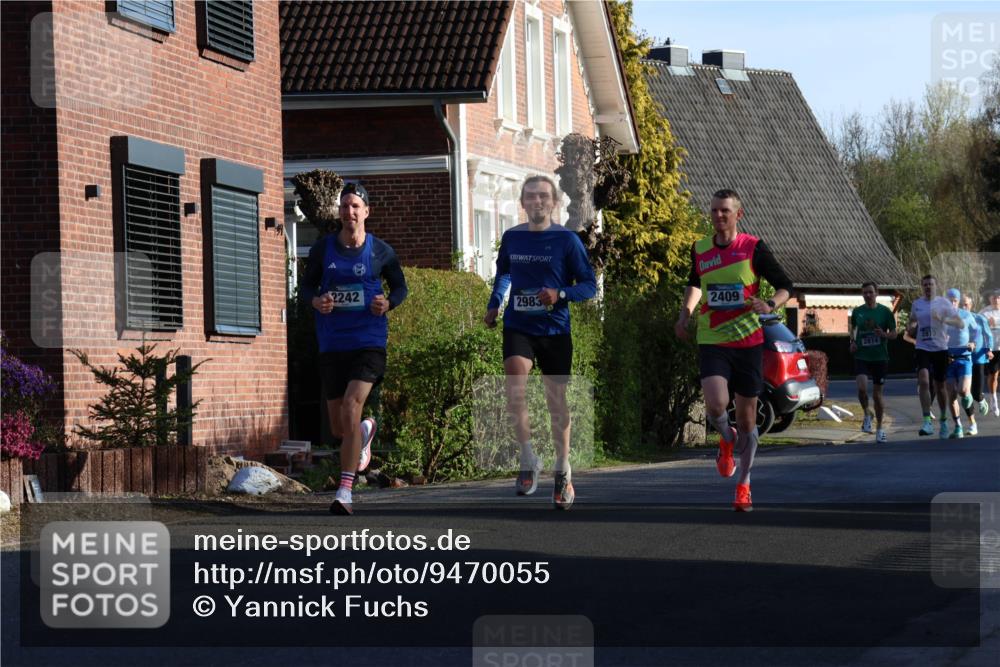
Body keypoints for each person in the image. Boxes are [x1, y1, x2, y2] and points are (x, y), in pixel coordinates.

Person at [674, 189, 792, 512]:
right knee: (715, 405)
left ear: (738, 214)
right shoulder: (700, 249)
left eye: (725, 211)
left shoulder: (753, 248)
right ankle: (726, 438)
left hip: (748, 342)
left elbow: (785, 285)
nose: (718, 216)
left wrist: (769, 303)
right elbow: (695, 283)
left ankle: (744, 484)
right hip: (712, 338)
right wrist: (685, 313)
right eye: (714, 211)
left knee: (748, 418)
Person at [484, 175, 597, 510]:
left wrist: (560, 294)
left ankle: (563, 469)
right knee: (514, 388)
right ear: (522, 202)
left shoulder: (567, 240)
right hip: (518, 325)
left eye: (543, 197)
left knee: (556, 403)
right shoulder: (512, 237)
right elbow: (504, 272)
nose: (537, 202)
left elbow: (588, 284)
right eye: (530, 197)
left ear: (553, 203)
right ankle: (528, 457)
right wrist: (495, 303)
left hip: (554, 329)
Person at [302, 182, 408, 515]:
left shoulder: (380, 251)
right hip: (333, 343)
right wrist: (317, 301)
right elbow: (306, 287)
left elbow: (401, 288)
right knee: (340, 427)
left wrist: (387, 303)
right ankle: (365, 431)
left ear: (366, 212)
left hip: (368, 342)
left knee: (351, 406)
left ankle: (344, 490)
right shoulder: (323, 250)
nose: (349, 211)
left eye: (355, 206)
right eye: (345, 206)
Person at [849, 282, 897, 443]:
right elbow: (853, 329)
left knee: (877, 396)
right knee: (862, 388)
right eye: (865, 293)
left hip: (880, 357)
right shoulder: (857, 311)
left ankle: (880, 428)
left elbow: (894, 334)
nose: (867, 295)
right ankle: (866, 414)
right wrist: (852, 342)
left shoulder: (885, 312)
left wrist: (883, 334)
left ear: (876, 293)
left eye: (870, 292)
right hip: (862, 355)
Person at [906, 275, 952, 437]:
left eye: (930, 284)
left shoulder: (944, 303)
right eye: (925, 284)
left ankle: (944, 421)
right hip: (922, 347)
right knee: (924, 381)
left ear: (936, 286)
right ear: (922, 287)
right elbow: (912, 321)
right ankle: (927, 421)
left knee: (940, 386)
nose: (927, 287)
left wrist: (943, 319)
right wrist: (911, 327)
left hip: (940, 348)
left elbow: (958, 322)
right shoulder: (917, 304)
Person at [942, 288, 977, 439]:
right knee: (952, 394)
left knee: (963, 391)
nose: (953, 303)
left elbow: (976, 331)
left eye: (955, 301)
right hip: (948, 359)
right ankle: (958, 426)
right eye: (950, 301)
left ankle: (972, 422)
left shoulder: (966, 315)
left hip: (964, 357)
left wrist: (973, 343)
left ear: (958, 302)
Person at [962, 294, 994, 433]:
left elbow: (988, 336)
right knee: (965, 393)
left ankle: (981, 399)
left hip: (979, 358)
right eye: (961, 304)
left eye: (966, 304)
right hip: (962, 358)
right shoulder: (954, 321)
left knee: (975, 392)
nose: (964, 307)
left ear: (971, 305)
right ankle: (972, 424)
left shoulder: (979, 318)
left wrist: (989, 350)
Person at [979, 289, 1000, 416]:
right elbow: (976, 330)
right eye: (994, 297)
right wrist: (987, 324)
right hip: (992, 349)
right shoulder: (984, 313)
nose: (996, 300)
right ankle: (993, 399)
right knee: (993, 375)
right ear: (990, 299)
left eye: (998, 297)